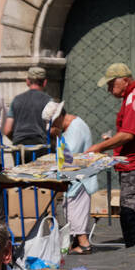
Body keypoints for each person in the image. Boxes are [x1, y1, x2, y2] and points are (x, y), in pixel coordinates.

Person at [85, 63, 135, 270]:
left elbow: (129, 134)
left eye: (112, 84)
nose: (110, 89)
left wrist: (100, 147)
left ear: (124, 80)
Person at [52, 106, 96, 254]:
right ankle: (78, 241)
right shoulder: (73, 126)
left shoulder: (75, 128)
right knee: (72, 208)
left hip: (79, 178)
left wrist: (58, 135)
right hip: (75, 177)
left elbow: (70, 156)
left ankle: (84, 243)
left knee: (74, 209)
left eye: (53, 123)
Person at [4, 66, 57, 157]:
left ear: (27, 81)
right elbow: (52, 130)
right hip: (40, 148)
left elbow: (7, 130)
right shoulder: (49, 101)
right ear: (44, 82)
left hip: (19, 149)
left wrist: (18, 139)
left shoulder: (16, 100)